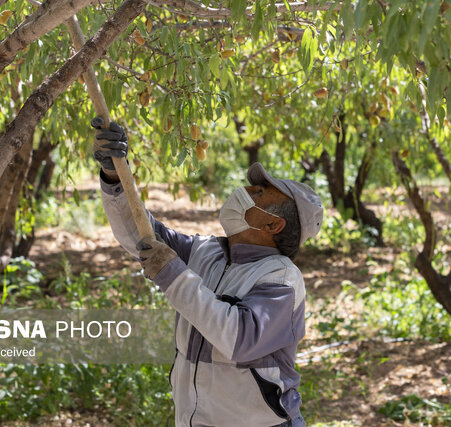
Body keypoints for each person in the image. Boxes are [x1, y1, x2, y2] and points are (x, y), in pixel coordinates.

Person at [92, 117, 324, 426]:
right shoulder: (205, 250)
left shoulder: (281, 279)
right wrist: (115, 175)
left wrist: (171, 273)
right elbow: (141, 235)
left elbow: (237, 337)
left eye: (257, 193)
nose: (243, 189)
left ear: (272, 225)